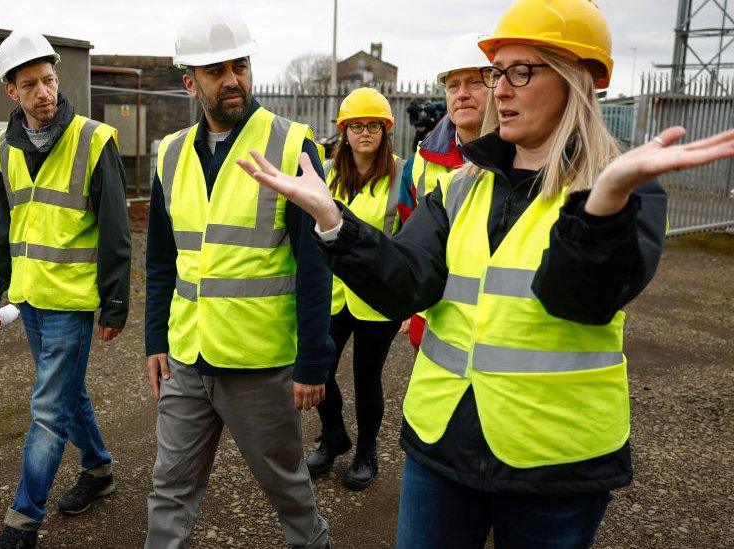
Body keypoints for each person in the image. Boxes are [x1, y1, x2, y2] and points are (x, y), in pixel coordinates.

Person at [236, 0, 734, 546]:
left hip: (554, 463)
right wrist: (334, 219)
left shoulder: (624, 190)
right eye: (499, 73)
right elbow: (405, 282)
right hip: (441, 447)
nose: (500, 89)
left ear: (579, 81)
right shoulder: (462, 186)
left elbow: (581, 300)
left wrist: (603, 202)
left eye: (521, 71)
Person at [144, 6, 334, 548]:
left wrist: (313, 360)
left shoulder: (291, 146)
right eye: (215, 70)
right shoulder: (172, 155)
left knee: (288, 490)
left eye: (240, 65)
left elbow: (314, 260)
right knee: (168, 490)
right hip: (187, 356)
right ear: (190, 82)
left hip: (260, 364)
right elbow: (161, 260)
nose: (233, 80)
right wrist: (156, 337)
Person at [0, 30, 131, 549]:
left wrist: (115, 302)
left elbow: (115, 232)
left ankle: (22, 523)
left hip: (72, 303)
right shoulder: (2, 150)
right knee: (68, 394)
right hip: (29, 302)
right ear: (10, 91)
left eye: (48, 80)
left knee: (47, 411)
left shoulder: (94, 140)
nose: (43, 92)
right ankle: (99, 468)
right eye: (30, 84)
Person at [304, 88, 407, 490]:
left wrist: (410, 302)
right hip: (333, 293)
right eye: (357, 126)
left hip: (377, 297)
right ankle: (333, 436)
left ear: (385, 130)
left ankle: (366, 452)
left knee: (367, 377)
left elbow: (409, 238)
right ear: (344, 132)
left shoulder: (402, 174)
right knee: (320, 370)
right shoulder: (328, 174)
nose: (365, 133)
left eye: (374, 126)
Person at [397, 32, 491, 349]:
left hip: (500, 331)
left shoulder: (528, 157)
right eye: (453, 85)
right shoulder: (419, 163)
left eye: (475, 83)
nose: (462, 94)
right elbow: (410, 247)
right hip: (434, 327)